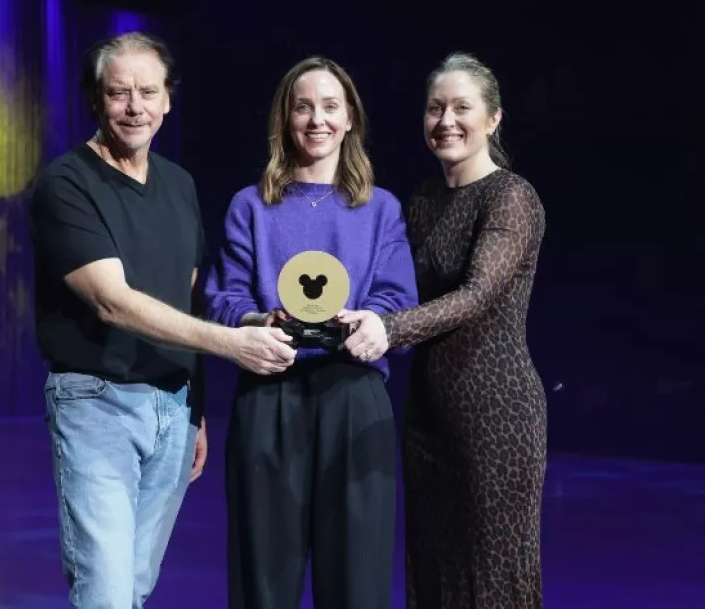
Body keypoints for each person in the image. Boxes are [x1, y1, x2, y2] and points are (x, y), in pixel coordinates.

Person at [27, 31, 297, 609]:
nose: (135, 107)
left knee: (133, 589)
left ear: (168, 100)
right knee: (105, 594)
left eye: (148, 92)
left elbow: (190, 295)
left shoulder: (179, 184)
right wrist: (232, 344)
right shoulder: (66, 184)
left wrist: (196, 408)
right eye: (119, 93)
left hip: (172, 408)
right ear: (96, 99)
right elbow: (112, 301)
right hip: (96, 403)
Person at [202, 55, 419, 609]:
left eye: (330, 107)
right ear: (285, 119)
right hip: (269, 396)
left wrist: (373, 322)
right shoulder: (251, 206)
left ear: (350, 120)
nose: (317, 119)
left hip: (354, 395)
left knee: (357, 581)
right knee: (263, 581)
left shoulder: (381, 209)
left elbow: (397, 298)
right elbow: (224, 298)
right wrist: (257, 321)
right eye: (303, 107)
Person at [340, 51, 548, 608]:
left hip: (495, 414)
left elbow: (478, 295)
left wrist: (388, 329)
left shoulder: (511, 196)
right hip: (427, 416)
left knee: (490, 576)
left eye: (462, 108)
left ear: (493, 118)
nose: (446, 121)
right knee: (432, 572)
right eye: (435, 108)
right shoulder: (424, 199)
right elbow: (391, 286)